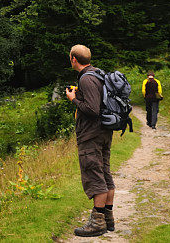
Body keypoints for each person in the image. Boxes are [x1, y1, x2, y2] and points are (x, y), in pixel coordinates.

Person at [65, 44, 115, 237]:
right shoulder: (97, 75)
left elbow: (93, 110)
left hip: (91, 134)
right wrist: (80, 95)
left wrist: (73, 99)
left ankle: (97, 223)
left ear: (73, 59)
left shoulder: (87, 79)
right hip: (103, 132)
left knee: (94, 175)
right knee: (104, 172)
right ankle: (108, 219)